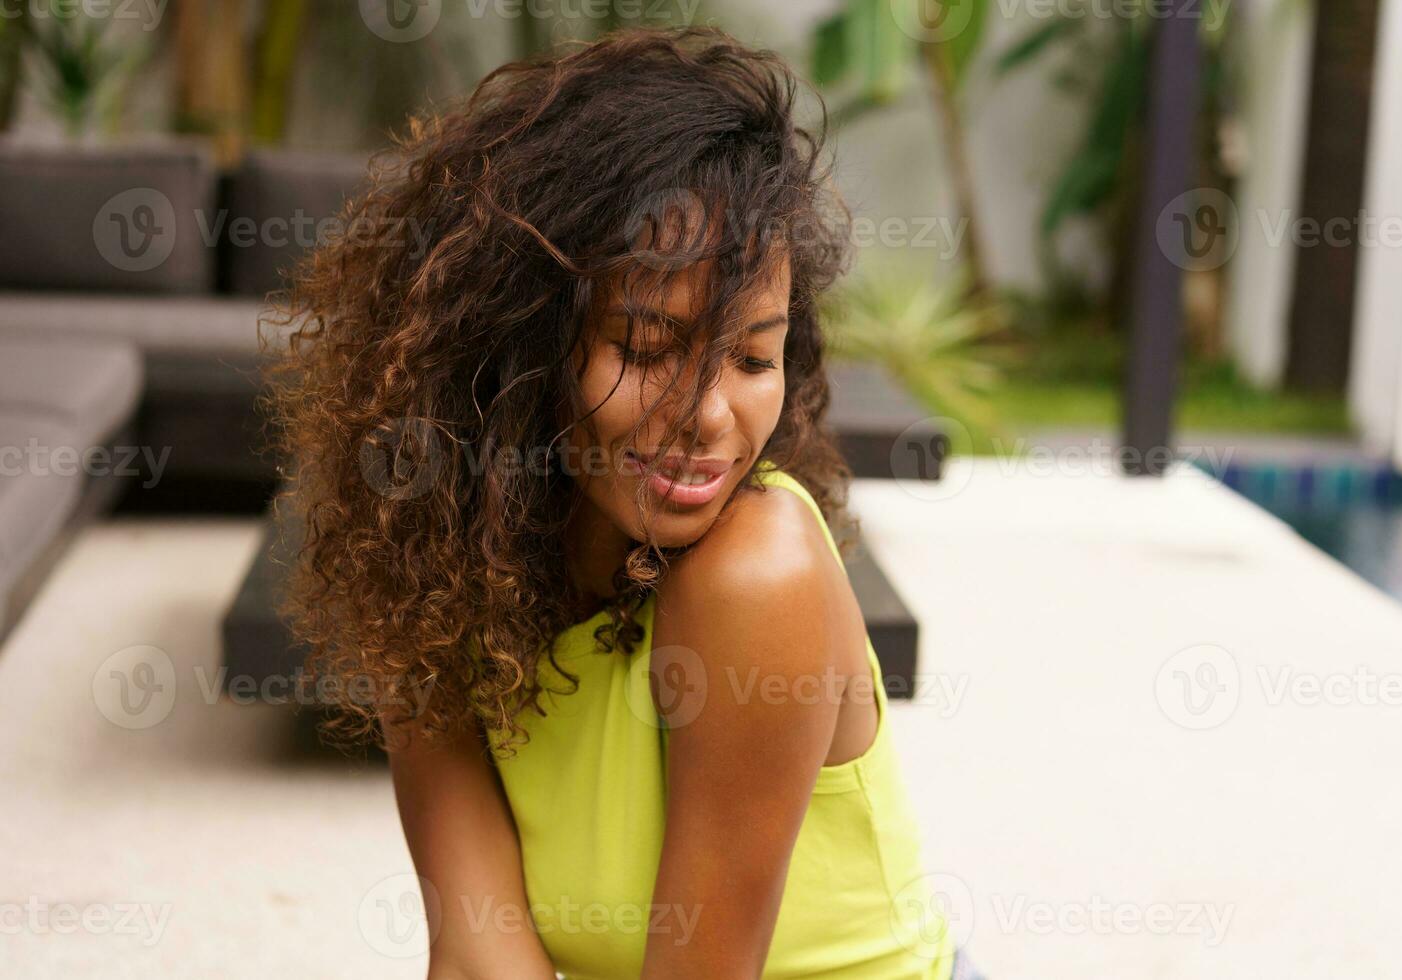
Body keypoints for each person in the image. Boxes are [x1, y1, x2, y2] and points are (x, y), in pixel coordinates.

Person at [264, 25, 959, 980]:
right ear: (519, 343)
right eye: (645, 347)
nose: (710, 415)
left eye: (754, 357)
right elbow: (477, 956)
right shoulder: (437, 572)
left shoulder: (759, 578)